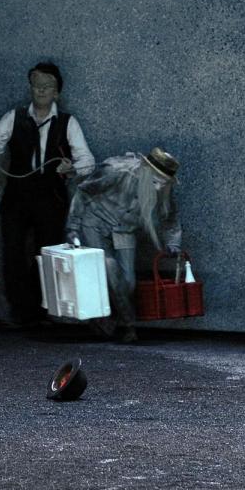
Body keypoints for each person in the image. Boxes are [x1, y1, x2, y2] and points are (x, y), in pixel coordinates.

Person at [0, 62, 95, 327]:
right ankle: (20, 312)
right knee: (13, 252)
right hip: (16, 196)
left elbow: (88, 160)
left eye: (47, 86)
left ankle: (43, 311)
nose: (41, 90)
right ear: (30, 87)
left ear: (57, 92)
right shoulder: (14, 117)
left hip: (51, 197)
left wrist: (72, 168)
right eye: (36, 85)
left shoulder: (68, 122)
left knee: (47, 254)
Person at [65, 147, 183, 344]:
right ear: (146, 169)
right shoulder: (116, 170)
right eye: (155, 180)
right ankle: (128, 325)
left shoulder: (163, 190)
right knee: (109, 267)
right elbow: (83, 191)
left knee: (128, 280)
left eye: (164, 183)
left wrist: (173, 243)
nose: (158, 187)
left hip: (125, 230)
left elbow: (170, 218)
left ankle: (108, 319)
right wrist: (73, 227)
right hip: (95, 223)